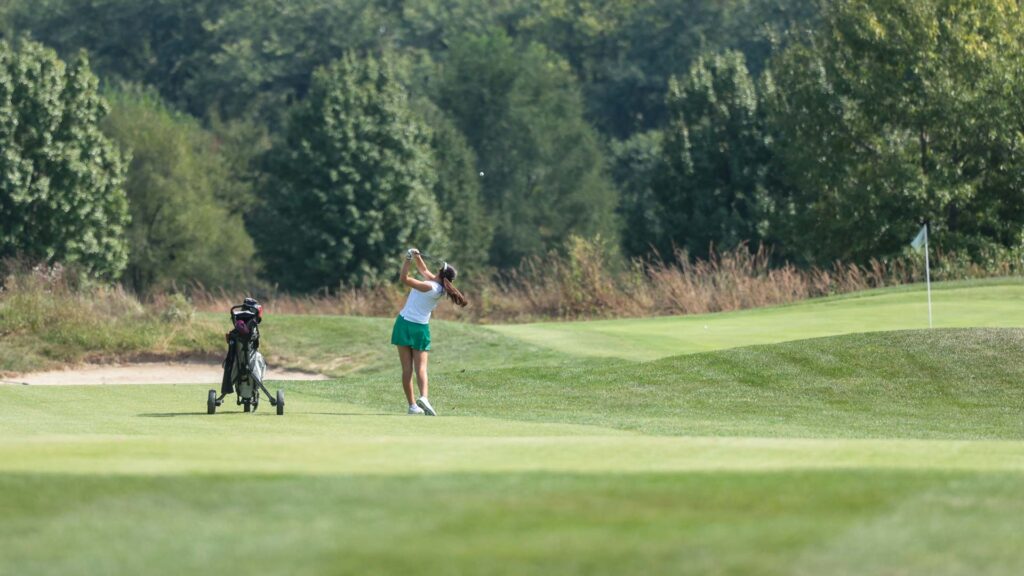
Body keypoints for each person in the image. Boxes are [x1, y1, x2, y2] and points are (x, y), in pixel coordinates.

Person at [391, 248, 468, 415]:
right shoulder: (439, 289)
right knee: (421, 368)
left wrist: (407, 259)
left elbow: (404, 278)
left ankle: (412, 406)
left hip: (403, 324)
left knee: (407, 369)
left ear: (440, 274)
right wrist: (416, 256)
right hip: (420, 329)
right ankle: (424, 398)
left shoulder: (429, 286)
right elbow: (424, 270)